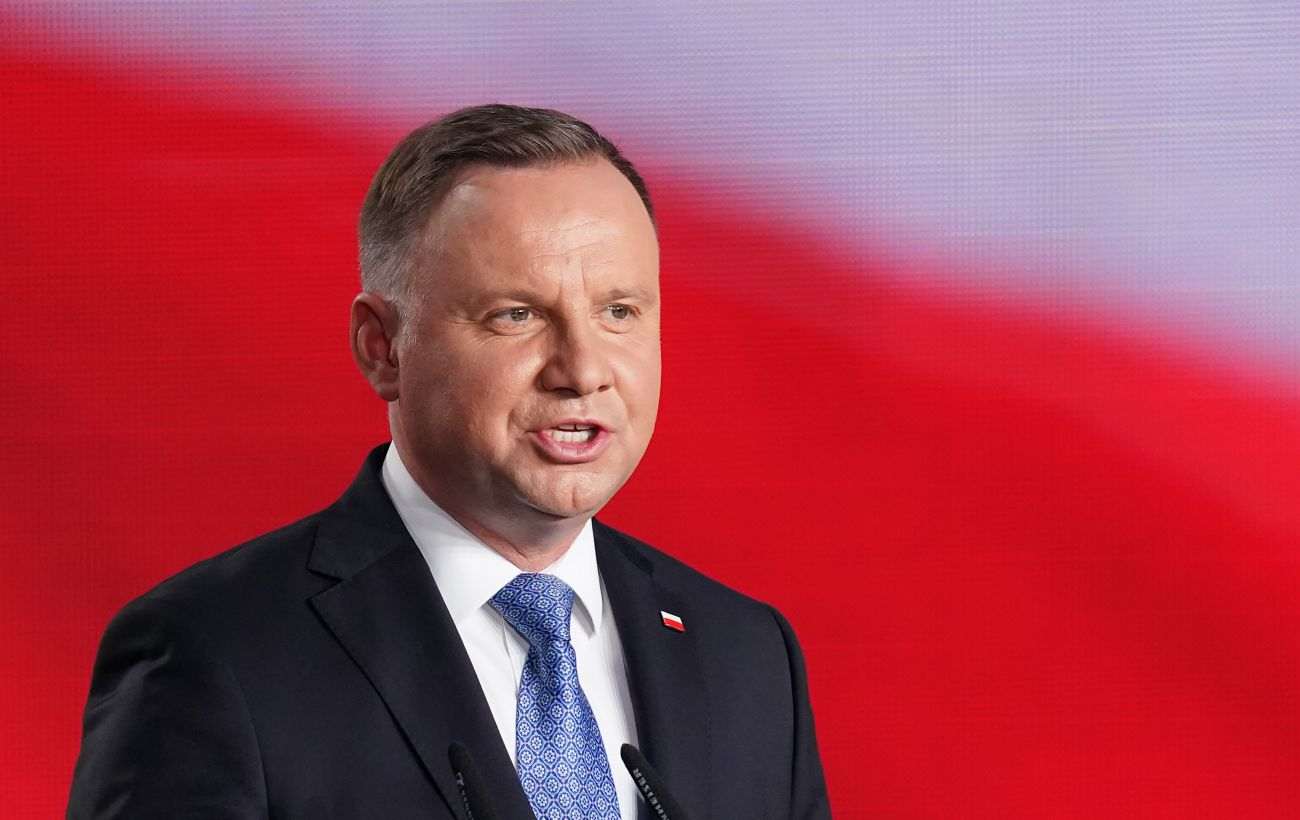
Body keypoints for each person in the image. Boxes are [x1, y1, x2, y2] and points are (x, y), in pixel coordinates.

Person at [67, 104, 829, 819]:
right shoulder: (214, 654)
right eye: (517, 315)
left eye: (618, 312)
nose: (583, 370)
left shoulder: (749, 656)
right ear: (382, 348)